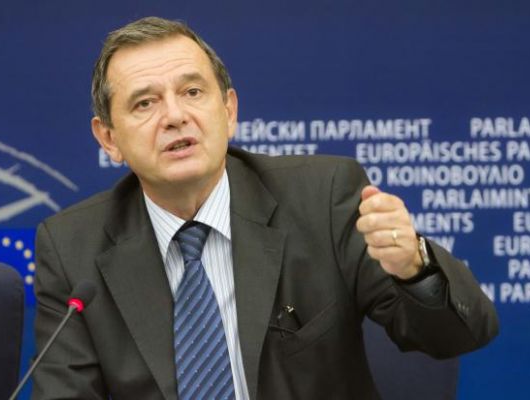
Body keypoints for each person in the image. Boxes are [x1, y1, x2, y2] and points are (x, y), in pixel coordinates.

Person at [33, 16, 498, 400]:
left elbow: (459, 335)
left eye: (192, 92)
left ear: (229, 111)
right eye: (145, 103)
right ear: (108, 138)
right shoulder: (72, 247)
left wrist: (414, 269)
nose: (174, 116)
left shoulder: (323, 198)